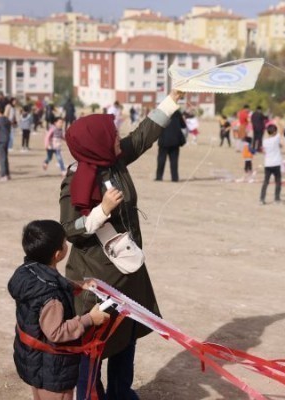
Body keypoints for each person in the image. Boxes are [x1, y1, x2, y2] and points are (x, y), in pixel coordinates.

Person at [59, 89, 184, 400]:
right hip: (97, 278)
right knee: (94, 343)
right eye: (112, 134)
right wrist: (101, 210)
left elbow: (143, 136)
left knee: (126, 337)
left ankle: (121, 393)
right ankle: (89, 395)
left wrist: (171, 100)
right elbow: (69, 229)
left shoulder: (113, 160)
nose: (118, 137)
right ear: (96, 141)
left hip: (129, 271)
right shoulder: (75, 180)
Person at [8, 220, 109, 400]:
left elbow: (47, 282)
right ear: (58, 254)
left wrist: (77, 286)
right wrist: (89, 319)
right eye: (64, 242)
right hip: (53, 370)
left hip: (34, 360)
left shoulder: (27, 271)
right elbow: (56, 332)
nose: (66, 245)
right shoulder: (52, 298)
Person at [156, 109, 186, 182]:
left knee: (161, 159)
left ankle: (159, 177)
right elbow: (183, 125)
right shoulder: (177, 113)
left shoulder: (162, 111)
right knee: (174, 160)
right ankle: (174, 178)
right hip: (175, 140)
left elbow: (156, 125)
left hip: (164, 140)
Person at [259, 124, 282, 205]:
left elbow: (264, 151)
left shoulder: (265, 141)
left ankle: (262, 199)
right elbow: (281, 131)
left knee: (266, 182)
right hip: (276, 163)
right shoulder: (276, 139)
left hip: (268, 164)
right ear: (275, 132)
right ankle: (277, 199)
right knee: (278, 182)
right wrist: (278, 121)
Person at [0, 104, 11, 181]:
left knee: (1, 158)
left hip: (0, 140)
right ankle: (7, 174)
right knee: (5, 157)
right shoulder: (6, 119)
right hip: (6, 139)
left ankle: (3, 174)